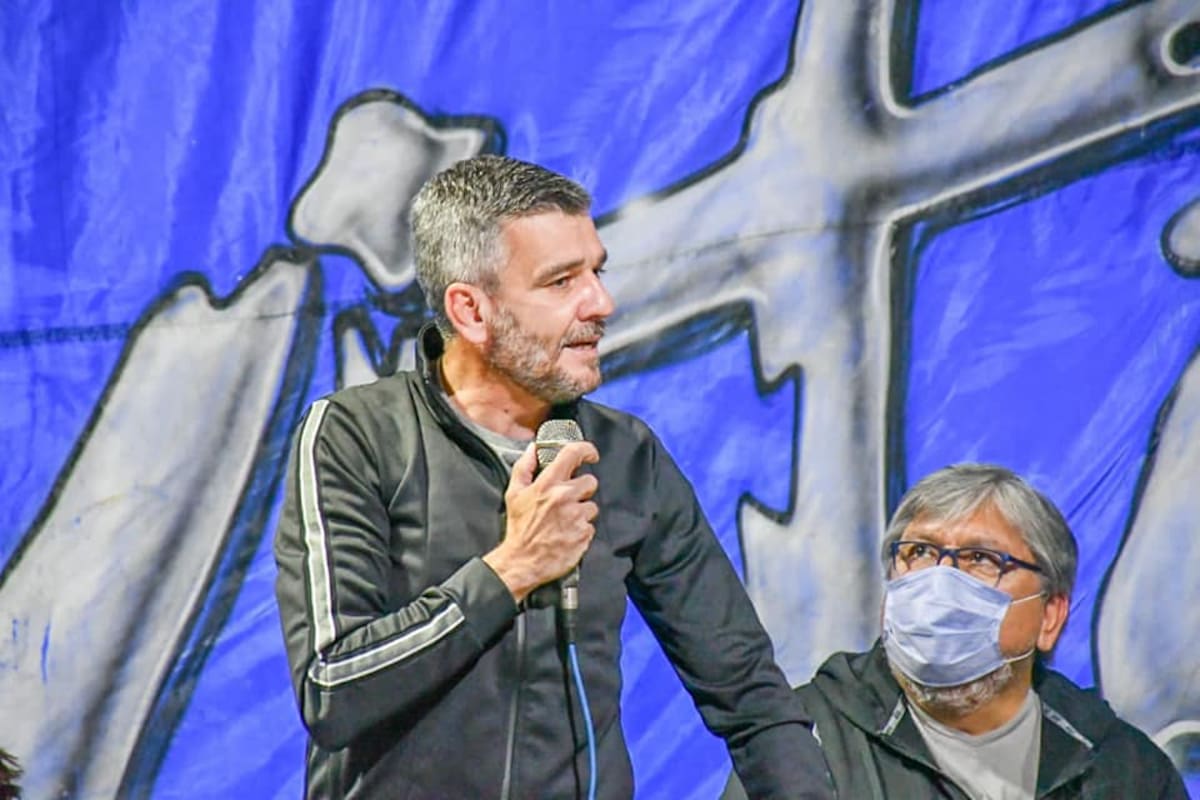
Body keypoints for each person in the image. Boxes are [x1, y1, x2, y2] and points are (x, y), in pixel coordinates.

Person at [273, 154, 833, 799]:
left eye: (597, 270)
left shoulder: (625, 455)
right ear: (471, 312)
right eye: (561, 281)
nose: (601, 302)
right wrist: (510, 570)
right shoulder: (356, 435)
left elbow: (750, 694)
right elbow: (332, 690)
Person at [725, 462, 1188, 799]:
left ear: (1049, 616)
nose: (940, 581)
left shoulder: (1125, 772)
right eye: (919, 553)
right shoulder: (805, 740)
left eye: (982, 559)